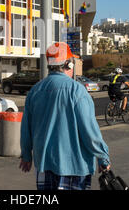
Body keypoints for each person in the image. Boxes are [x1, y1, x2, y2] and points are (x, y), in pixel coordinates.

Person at [19, 42, 111, 190]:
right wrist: (102, 156)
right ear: (69, 65)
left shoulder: (35, 91)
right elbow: (90, 131)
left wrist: (26, 155)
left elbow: (26, 128)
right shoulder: (77, 91)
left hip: (44, 165)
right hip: (74, 167)